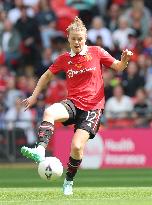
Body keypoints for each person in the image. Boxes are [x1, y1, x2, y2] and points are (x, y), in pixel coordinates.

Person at [21, 16, 133, 195]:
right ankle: (40, 150)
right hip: (73, 103)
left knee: (77, 147)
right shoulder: (64, 59)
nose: (77, 42)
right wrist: (34, 96)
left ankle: (68, 182)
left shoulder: (97, 52)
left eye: (80, 38)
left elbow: (119, 67)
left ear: (85, 37)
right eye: (73, 38)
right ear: (68, 39)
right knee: (49, 111)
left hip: (92, 108)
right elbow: (46, 76)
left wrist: (125, 59)